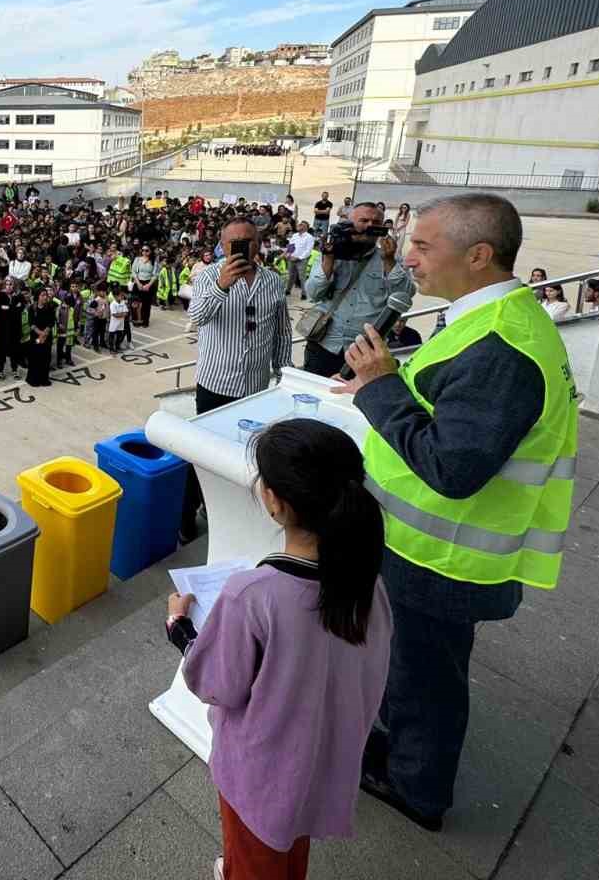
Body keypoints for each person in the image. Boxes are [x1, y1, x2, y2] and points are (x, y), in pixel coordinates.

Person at [332, 193, 579, 831]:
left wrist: (382, 387)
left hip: (442, 557)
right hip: (424, 547)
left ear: (477, 255)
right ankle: (403, 745)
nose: (405, 255)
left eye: (422, 245)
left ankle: (417, 787)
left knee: (428, 679)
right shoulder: (492, 320)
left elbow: (453, 469)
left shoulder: (503, 349)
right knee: (414, 668)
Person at [167, 420, 391, 880]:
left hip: (263, 775)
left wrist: (181, 629)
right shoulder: (368, 581)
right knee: (290, 844)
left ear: (275, 502)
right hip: (322, 760)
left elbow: (215, 684)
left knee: (256, 855)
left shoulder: (253, 594)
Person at [182, 218, 293, 542]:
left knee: (247, 456)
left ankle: (226, 511)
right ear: (222, 245)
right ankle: (188, 517)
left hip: (255, 388)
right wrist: (222, 286)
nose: (241, 248)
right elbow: (197, 317)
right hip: (216, 385)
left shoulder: (273, 281)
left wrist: (283, 371)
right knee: (202, 456)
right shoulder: (208, 277)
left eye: (249, 241)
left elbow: (281, 330)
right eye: (234, 243)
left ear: (258, 244)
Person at [301, 202, 415, 378]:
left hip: (364, 352)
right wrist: (329, 260)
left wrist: (389, 261)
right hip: (325, 345)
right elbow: (314, 294)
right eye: (363, 220)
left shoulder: (389, 258)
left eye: (376, 222)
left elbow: (405, 295)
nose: (370, 225)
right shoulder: (332, 253)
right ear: (349, 223)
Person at [25, 287, 56, 387]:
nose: (45, 297)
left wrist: (45, 333)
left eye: (46, 295)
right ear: (37, 297)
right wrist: (40, 334)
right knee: (35, 357)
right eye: (42, 295)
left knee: (46, 357)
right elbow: (31, 323)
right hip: (36, 337)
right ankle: (34, 379)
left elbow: (51, 322)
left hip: (47, 336)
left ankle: (44, 379)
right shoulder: (32, 308)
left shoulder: (50, 307)